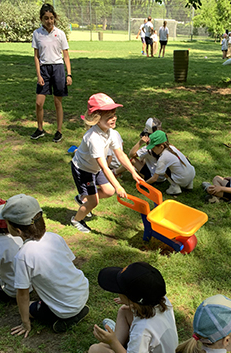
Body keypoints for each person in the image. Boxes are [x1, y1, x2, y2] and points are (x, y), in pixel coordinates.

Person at [80, 262, 178, 353]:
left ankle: (112, 345)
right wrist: (129, 302)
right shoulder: (161, 300)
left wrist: (113, 342)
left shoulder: (143, 329)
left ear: (134, 300)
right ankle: (119, 340)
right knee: (124, 310)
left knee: (94, 350)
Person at [3, 194, 90, 335]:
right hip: (82, 293)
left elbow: (22, 294)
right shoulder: (54, 237)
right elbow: (70, 262)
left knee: (30, 307)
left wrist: (25, 324)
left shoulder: (23, 255)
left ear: (18, 231)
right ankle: (74, 310)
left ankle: (64, 317)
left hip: (65, 308)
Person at [69, 93, 140, 234]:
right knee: (93, 202)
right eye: (109, 116)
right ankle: (76, 220)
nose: (114, 118)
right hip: (83, 170)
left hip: (94, 168)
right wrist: (119, 187)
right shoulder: (93, 138)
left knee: (109, 191)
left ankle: (82, 198)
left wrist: (133, 172)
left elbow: (120, 154)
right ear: (96, 119)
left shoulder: (111, 132)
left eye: (114, 114)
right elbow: (104, 166)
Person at [30, 3, 72, 143]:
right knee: (38, 103)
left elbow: (66, 55)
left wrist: (69, 74)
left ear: (54, 18)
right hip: (44, 70)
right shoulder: (37, 33)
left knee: (57, 102)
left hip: (58, 68)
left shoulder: (60, 34)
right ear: (41, 19)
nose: (49, 21)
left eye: (51, 18)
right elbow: (36, 56)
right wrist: (39, 75)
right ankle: (40, 129)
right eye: (46, 18)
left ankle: (59, 131)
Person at [143, 131, 195, 196]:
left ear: (161, 147)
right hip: (192, 174)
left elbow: (154, 178)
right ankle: (189, 185)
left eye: (153, 148)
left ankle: (175, 187)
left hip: (182, 180)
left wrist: (143, 184)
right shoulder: (172, 148)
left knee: (163, 168)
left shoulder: (163, 158)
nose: (153, 151)